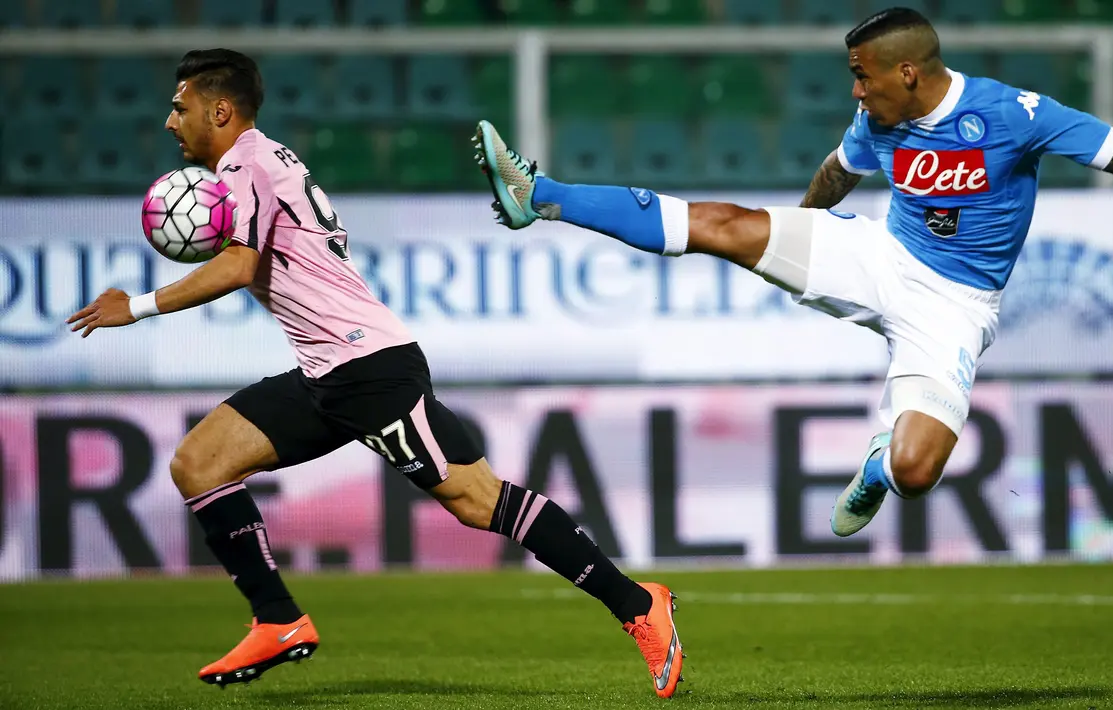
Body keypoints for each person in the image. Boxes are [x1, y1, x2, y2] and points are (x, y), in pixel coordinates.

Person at [66, 48, 686, 698]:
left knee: (478, 502)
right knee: (200, 462)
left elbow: (239, 266)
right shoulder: (256, 165)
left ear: (219, 110)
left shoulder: (247, 162)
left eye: (180, 106)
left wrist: (135, 307)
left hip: (369, 370)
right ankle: (277, 618)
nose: (171, 122)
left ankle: (637, 605)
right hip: (325, 375)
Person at [474, 8, 1113, 539]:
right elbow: (838, 171)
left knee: (918, 467)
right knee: (725, 225)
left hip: (955, 307)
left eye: (862, 77)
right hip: (879, 257)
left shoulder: (1011, 114)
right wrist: (793, 235)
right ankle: (537, 193)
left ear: (907, 72)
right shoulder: (879, 119)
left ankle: (875, 471)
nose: (855, 92)